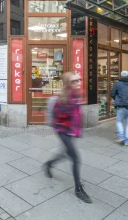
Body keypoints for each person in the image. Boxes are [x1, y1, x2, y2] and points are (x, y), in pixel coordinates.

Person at [43, 72, 92, 204]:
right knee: (76, 158)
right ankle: (78, 189)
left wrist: (77, 129)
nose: (78, 83)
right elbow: (58, 118)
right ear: (67, 84)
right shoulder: (61, 98)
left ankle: (48, 164)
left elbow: (76, 114)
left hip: (71, 131)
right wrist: (68, 129)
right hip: (63, 131)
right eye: (74, 81)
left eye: (79, 80)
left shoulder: (77, 94)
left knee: (65, 154)